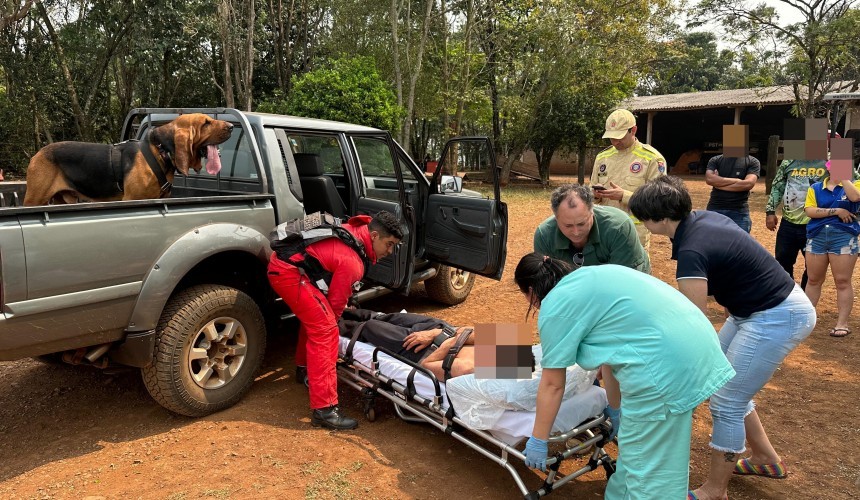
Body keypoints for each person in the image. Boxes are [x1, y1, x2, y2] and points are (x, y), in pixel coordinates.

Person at [629, 176, 817, 500]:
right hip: (757, 310)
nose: (642, 222)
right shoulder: (701, 220)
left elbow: (693, 321)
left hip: (776, 316)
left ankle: (715, 490)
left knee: (727, 400)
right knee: (722, 382)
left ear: (659, 220)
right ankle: (765, 458)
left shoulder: (690, 250)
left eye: (643, 216)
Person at [515, 253, 734, 498]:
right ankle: (462, 341)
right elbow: (611, 349)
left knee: (648, 473)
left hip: (520, 355)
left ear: (531, 292)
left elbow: (553, 384)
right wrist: (616, 406)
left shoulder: (555, 311)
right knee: (641, 457)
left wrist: (538, 438)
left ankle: (463, 341)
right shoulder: (591, 278)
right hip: (688, 344)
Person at [267, 211, 403, 430]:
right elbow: (336, 302)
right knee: (326, 329)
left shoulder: (357, 228)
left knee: (316, 318)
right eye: (389, 244)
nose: (390, 251)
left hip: (287, 265)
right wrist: (334, 319)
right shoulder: (353, 261)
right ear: (375, 235)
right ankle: (325, 409)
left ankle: (304, 370)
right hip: (289, 272)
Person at [591, 108, 666, 250]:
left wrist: (624, 196)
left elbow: (659, 201)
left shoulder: (652, 159)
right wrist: (594, 195)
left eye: (620, 137)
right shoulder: (602, 158)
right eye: (612, 138)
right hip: (603, 231)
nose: (615, 142)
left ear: (633, 130)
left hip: (634, 235)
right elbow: (591, 192)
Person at [534, 183, 650, 273]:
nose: (576, 232)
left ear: (592, 213)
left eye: (581, 224)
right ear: (556, 218)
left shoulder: (619, 228)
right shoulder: (544, 235)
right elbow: (546, 285)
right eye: (568, 225)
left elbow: (625, 282)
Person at [338, 308, 476, 380]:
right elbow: (470, 330)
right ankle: (341, 309)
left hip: (420, 349)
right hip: (441, 329)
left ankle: (328, 323)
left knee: (370, 327)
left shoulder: (468, 368)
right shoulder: (497, 343)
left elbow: (427, 365)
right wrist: (436, 333)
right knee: (388, 317)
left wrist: (450, 342)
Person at [802, 165, 860, 337]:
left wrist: (844, 178)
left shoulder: (855, 184)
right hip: (817, 235)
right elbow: (810, 210)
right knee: (813, 279)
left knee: (842, 281)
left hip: (844, 237)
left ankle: (842, 323)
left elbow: (855, 197)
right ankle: (807, 320)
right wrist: (837, 211)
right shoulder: (816, 188)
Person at [765, 158, 828, 289]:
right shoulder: (789, 161)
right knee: (782, 261)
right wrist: (770, 211)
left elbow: (853, 179)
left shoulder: (832, 158)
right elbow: (778, 186)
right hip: (789, 222)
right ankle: (788, 295)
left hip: (816, 224)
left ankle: (806, 297)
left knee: (813, 267)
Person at [704, 152, 761, 232]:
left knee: (740, 243)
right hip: (715, 209)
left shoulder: (753, 161)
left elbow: (748, 184)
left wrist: (718, 184)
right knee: (713, 242)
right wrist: (737, 181)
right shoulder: (715, 160)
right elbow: (709, 179)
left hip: (739, 212)